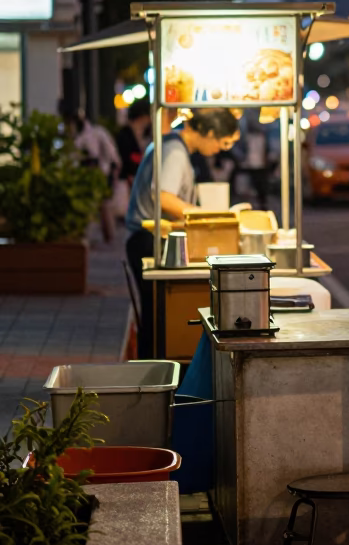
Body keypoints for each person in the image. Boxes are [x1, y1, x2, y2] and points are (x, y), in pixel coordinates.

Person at [125, 108, 240, 357]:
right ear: (209, 133)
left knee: (155, 315)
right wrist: (202, 215)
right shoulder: (175, 151)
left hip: (148, 239)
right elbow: (163, 197)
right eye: (223, 142)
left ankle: (154, 371)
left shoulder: (173, 146)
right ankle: (156, 375)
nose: (221, 149)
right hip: (149, 241)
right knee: (157, 317)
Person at [71, 113, 122, 243]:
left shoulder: (96, 133)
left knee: (104, 206)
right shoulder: (80, 136)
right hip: (88, 174)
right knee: (95, 206)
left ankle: (108, 236)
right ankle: (97, 236)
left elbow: (111, 154)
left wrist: (113, 171)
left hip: (100, 173)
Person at [115, 98, 151, 185]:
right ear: (142, 116)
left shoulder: (145, 134)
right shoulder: (125, 135)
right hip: (125, 184)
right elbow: (126, 159)